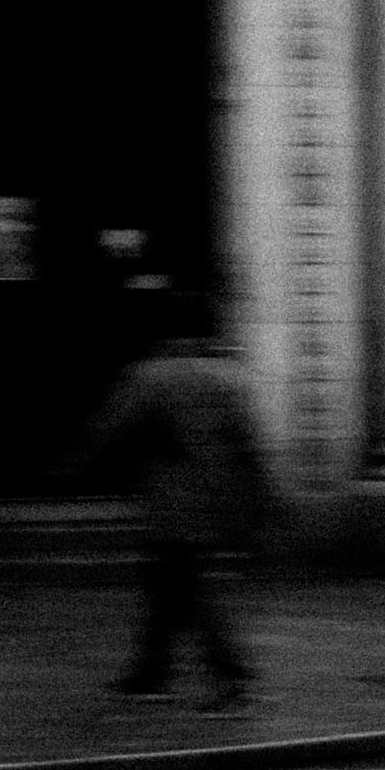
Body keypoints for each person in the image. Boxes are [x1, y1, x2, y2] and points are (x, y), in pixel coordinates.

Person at [77, 283, 268, 710]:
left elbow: (113, 430)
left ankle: (230, 677)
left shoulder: (150, 376)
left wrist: (80, 467)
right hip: (216, 498)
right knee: (166, 586)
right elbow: (248, 441)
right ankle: (149, 673)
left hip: (171, 501)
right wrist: (261, 496)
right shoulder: (224, 376)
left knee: (191, 587)